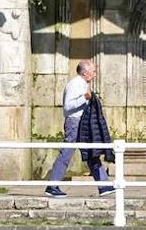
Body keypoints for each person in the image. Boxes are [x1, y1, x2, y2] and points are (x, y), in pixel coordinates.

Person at [45, 59, 112, 197]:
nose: (95, 74)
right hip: (74, 122)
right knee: (66, 153)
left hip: (83, 122)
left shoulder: (82, 84)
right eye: (93, 71)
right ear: (85, 72)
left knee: (92, 153)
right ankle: (52, 186)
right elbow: (68, 107)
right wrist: (85, 98)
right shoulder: (74, 84)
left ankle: (104, 186)